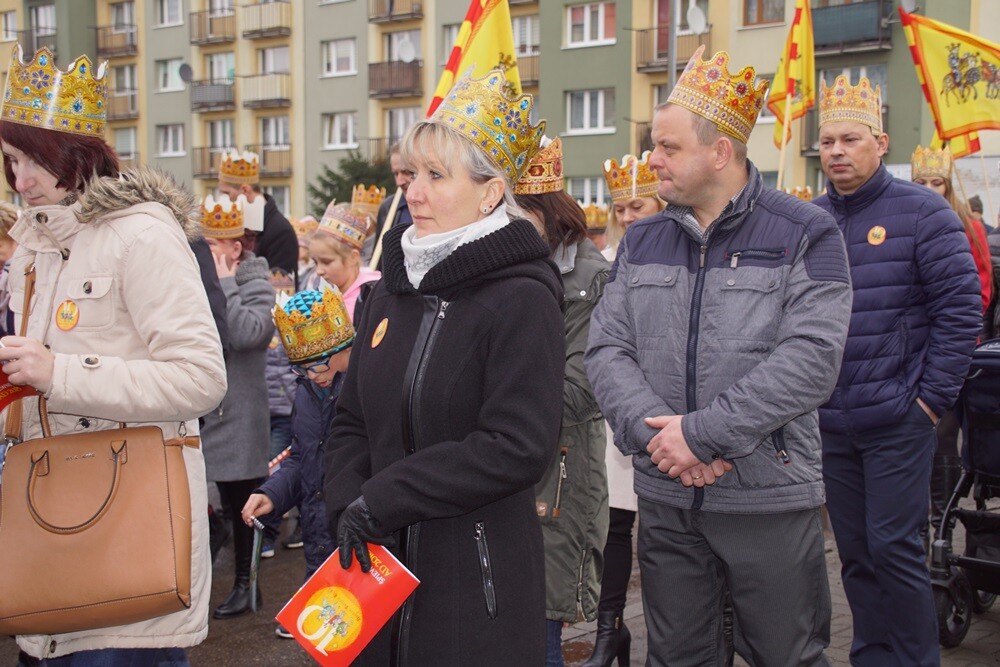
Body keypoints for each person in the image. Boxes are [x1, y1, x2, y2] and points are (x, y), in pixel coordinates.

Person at [585, 47, 853, 665]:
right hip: (668, 501)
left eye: (668, 147)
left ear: (720, 153)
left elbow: (811, 359)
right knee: (678, 657)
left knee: (786, 655)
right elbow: (606, 348)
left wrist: (703, 437)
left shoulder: (805, 231)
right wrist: (663, 440)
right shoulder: (644, 239)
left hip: (767, 498)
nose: (652, 159)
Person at [322, 68, 563, 665]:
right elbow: (352, 418)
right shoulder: (391, 290)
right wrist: (348, 504)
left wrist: (387, 497)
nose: (414, 192)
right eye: (411, 175)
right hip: (374, 575)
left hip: (473, 587)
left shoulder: (522, 295)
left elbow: (517, 444)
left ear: (490, 192)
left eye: (436, 175)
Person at [0, 44, 226, 665]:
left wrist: (57, 373)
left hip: (129, 544)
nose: (21, 182)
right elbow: (38, 391)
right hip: (49, 539)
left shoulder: (143, 235)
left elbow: (201, 379)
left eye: (34, 161)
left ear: (75, 153)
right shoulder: (34, 247)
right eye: (11, 162)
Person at [813, 75, 981, 666]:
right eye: (828, 140)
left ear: (880, 143)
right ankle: (872, 658)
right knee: (855, 555)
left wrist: (929, 403)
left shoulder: (925, 213)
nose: (836, 151)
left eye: (850, 139)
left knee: (894, 551)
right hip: (832, 423)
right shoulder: (808, 222)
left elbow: (962, 313)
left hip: (898, 421)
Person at [514, 137, 610, 667]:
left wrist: (496, 396)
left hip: (560, 472)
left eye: (514, 214)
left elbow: (579, 391)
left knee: (540, 623)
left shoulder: (588, 280)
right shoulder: (501, 269)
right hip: (508, 462)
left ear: (545, 217)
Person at [582, 149, 665, 667]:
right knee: (613, 530)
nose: (628, 217)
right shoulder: (606, 268)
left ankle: (673, 635)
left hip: (667, 416)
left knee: (662, 538)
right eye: (621, 209)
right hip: (617, 415)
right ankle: (609, 633)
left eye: (638, 205)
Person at [242, 285, 356, 639]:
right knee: (330, 643)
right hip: (319, 538)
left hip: (356, 537)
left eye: (320, 364)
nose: (312, 375)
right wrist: (273, 494)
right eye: (302, 369)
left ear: (346, 347)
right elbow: (300, 457)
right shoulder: (307, 392)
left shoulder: (363, 389)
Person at [198, 194, 276, 620]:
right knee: (210, 505)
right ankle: (201, 583)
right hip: (212, 411)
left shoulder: (256, 283)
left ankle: (248, 587)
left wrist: (226, 283)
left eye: (213, 246)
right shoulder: (200, 281)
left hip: (242, 413)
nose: (205, 254)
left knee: (244, 505)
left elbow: (249, 334)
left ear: (234, 248)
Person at [911, 145, 993, 539]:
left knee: (944, 433)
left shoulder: (968, 225)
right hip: (909, 348)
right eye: (921, 182)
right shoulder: (905, 218)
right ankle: (917, 524)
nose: (929, 189)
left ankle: (940, 519)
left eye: (936, 182)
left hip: (950, 347)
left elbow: (979, 291)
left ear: (948, 186)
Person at [216, 149, 298, 279]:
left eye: (227, 193)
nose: (222, 200)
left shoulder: (280, 231)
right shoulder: (238, 225)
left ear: (245, 190)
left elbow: (282, 287)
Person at [309, 202, 381, 318]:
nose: (319, 271)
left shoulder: (371, 296)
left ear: (353, 258)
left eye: (326, 262)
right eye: (315, 262)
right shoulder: (320, 295)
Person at [602, 151, 664, 262]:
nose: (626, 218)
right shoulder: (606, 260)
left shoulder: (681, 253)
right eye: (619, 210)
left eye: (637, 207)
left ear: (661, 206)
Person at [362, 143, 413, 269]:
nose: (399, 181)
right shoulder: (388, 207)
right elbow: (379, 258)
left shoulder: (436, 205)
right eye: (396, 174)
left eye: (405, 172)